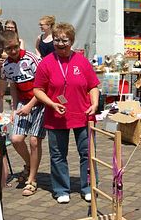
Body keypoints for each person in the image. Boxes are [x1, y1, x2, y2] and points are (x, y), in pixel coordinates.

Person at [33, 23, 100, 204]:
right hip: (56, 117)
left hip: (83, 113)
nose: (61, 44)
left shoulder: (81, 61)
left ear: (72, 41)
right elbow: (38, 90)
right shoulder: (46, 63)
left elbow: (93, 86)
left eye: (65, 40)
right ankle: (61, 188)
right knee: (58, 154)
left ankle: (89, 187)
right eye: (57, 40)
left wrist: (94, 103)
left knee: (87, 152)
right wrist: (52, 103)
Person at [0, 30, 45, 197]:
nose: (14, 51)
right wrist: (14, 108)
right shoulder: (6, 66)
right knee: (16, 139)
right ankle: (29, 164)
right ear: (3, 49)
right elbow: (14, 86)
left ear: (19, 42)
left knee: (34, 141)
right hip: (23, 104)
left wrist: (30, 105)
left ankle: (32, 180)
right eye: (9, 49)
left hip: (39, 102)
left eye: (16, 47)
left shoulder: (31, 59)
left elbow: (43, 86)